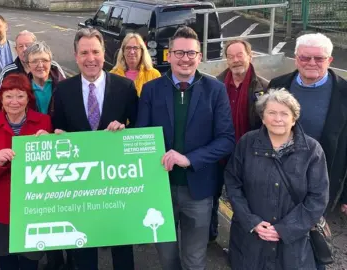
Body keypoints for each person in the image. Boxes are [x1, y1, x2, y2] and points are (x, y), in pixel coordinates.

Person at [136, 26, 235, 270]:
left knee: (194, 259)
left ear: (200, 57)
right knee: (167, 258)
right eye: (179, 52)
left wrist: (189, 159)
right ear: (169, 56)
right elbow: (140, 136)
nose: (185, 59)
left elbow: (226, 140)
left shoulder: (216, 90)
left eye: (191, 53)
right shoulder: (151, 90)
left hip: (198, 190)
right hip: (160, 188)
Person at [52, 28, 138, 270]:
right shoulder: (63, 90)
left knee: (121, 244)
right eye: (84, 52)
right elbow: (58, 127)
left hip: (116, 181)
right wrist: (58, 136)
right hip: (80, 184)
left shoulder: (125, 88)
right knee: (83, 247)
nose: (91, 58)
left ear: (104, 53)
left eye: (96, 52)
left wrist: (124, 129)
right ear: (76, 55)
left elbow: (140, 129)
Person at [224, 88, 329, 269]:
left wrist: (284, 229)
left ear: (294, 119)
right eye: (271, 113)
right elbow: (233, 184)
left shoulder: (312, 150)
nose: (278, 119)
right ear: (263, 118)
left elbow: (318, 198)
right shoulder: (247, 143)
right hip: (250, 240)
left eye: (284, 114)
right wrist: (251, 221)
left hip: (293, 245)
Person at [268, 33, 347, 270]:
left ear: (330, 60)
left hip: (321, 182)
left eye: (318, 58)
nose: (311, 63)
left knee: (313, 239)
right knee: (277, 236)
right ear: (295, 58)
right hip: (277, 180)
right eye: (305, 57)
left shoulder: (345, 93)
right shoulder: (277, 86)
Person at [0, 73, 51, 270]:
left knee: (30, 263)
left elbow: (54, 169)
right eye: (9, 96)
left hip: (33, 208)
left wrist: (51, 146)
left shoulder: (43, 123)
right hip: (1, 210)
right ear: (1, 99)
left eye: (20, 96)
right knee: (6, 263)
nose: (14, 102)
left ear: (28, 99)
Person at [210, 39, 268, 242]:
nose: (235, 60)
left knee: (245, 201)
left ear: (250, 56)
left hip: (248, 157)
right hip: (218, 155)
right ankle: (210, 234)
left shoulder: (264, 88)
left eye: (239, 55)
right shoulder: (214, 85)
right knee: (212, 196)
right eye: (231, 56)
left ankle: (244, 241)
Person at [0, 31, 65, 93]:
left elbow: (66, 90)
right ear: (16, 50)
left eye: (28, 45)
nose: (24, 49)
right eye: (20, 46)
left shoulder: (53, 67)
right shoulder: (7, 72)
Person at [23, 41, 66, 114]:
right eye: (34, 61)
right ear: (28, 65)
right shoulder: (21, 88)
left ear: (50, 62)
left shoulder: (64, 86)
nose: (40, 65)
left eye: (44, 60)